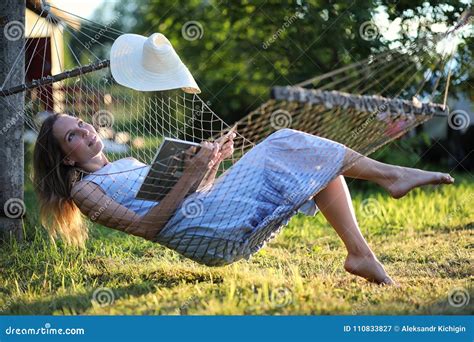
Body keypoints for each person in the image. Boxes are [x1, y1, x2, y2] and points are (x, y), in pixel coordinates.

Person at [32, 113, 454, 286]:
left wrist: (211, 164)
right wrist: (193, 178)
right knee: (287, 142)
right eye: (73, 135)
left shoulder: (126, 162)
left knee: (311, 163)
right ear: (65, 155)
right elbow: (147, 228)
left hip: (211, 212)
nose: (86, 133)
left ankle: (360, 255)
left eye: (83, 124)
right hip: (209, 234)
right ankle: (393, 176)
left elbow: (190, 194)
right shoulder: (84, 191)